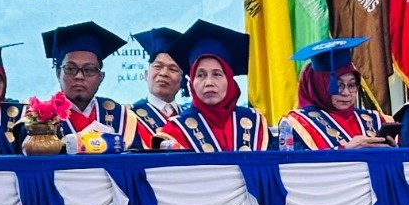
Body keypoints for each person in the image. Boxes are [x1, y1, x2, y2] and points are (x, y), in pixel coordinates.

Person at [157, 20, 271, 151]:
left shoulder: (255, 124)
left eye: (217, 74)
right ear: (191, 82)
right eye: (201, 75)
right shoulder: (175, 132)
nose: (209, 82)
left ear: (229, 80)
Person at [41, 22, 149, 150]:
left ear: (101, 77)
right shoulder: (39, 119)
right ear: (58, 73)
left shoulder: (121, 117)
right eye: (70, 68)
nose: (79, 76)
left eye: (89, 69)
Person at [283, 38, 393, 150]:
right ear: (318, 87)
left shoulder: (376, 120)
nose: (346, 93)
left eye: (352, 85)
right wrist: (345, 149)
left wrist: (394, 150)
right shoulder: (297, 124)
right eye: (338, 85)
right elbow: (292, 160)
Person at [129, 27, 184, 136]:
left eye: (172, 69)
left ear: (183, 80)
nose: (163, 73)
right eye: (158, 67)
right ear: (146, 74)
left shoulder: (190, 119)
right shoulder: (129, 116)